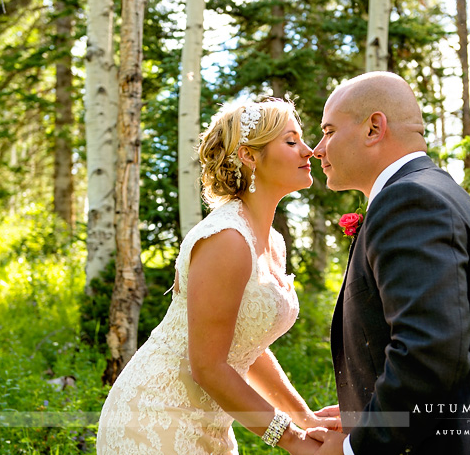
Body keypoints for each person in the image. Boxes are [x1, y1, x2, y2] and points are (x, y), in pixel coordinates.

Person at [306, 72, 470, 455]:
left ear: (374, 128)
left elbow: (429, 354)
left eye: (328, 131)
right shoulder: (436, 191)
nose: (317, 148)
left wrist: (355, 448)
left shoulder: (409, 202)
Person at [96, 99, 338, 454]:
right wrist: (292, 439)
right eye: (291, 141)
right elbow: (208, 366)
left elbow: (246, 347)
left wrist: (305, 418)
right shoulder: (227, 240)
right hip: (155, 418)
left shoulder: (272, 242)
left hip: (209, 421)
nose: (309, 151)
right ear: (249, 156)